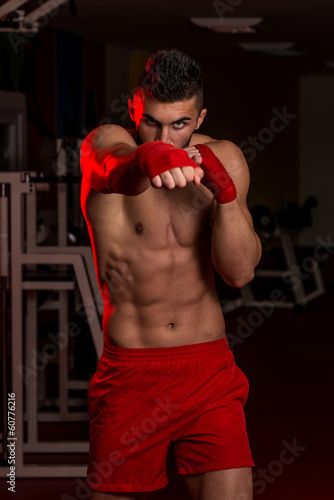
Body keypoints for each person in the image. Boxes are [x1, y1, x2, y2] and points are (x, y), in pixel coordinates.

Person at [80, 49, 262, 500]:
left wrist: (224, 195)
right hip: (132, 374)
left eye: (179, 124)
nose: (165, 135)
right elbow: (111, 166)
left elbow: (239, 273)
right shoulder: (106, 143)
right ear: (133, 111)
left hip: (209, 371)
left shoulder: (225, 157)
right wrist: (148, 158)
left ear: (199, 116)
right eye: (152, 123)